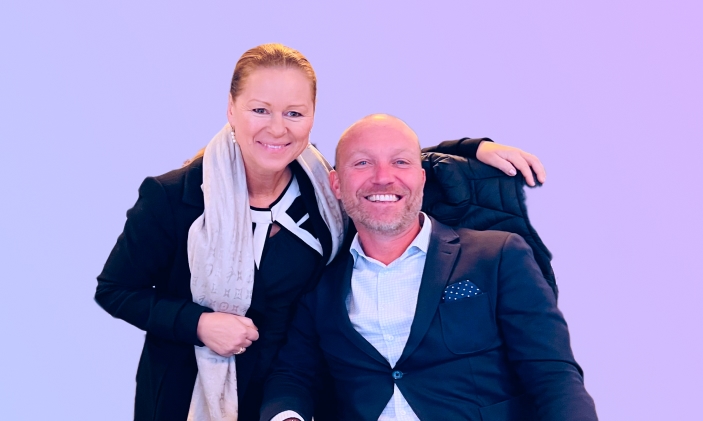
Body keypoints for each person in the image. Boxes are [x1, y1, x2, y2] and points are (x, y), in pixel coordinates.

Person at [95, 44, 547, 421]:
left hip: (298, 393)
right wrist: (198, 323)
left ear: (312, 116)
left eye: (294, 112)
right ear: (231, 108)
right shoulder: (173, 198)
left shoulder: (323, 188)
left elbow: (383, 169)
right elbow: (115, 290)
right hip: (193, 393)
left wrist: (472, 149)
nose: (277, 128)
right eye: (259, 110)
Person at [261, 115, 598, 421]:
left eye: (400, 162)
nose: (383, 178)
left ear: (422, 178)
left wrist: (471, 147)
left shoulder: (498, 256)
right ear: (335, 184)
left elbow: (553, 376)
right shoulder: (320, 284)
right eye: (362, 163)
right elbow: (293, 376)